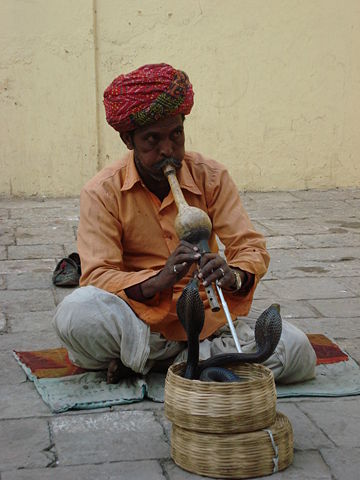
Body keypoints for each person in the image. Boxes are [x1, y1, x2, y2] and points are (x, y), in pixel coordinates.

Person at [53, 63, 316, 384]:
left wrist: (232, 275)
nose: (168, 149)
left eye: (176, 134)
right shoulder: (102, 191)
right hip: (140, 325)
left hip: (207, 328)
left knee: (298, 351)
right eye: (152, 139)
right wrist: (159, 279)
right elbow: (97, 275)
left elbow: (250, 247)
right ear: (128, 139)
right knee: (75, 315)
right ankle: (193, 365)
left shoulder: (211, 176)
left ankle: (156, 365)